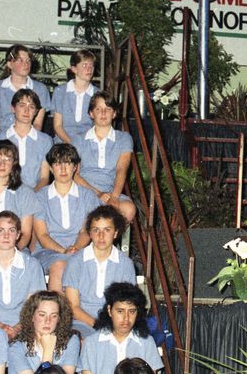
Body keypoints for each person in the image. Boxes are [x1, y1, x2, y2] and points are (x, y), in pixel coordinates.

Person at [32, 144, 101, 292]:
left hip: (80, 249)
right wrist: (64, 252)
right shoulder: (39, 197)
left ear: (75, 167)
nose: (63, 169)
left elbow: (85, 231)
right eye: (57, 164)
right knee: (60, 265)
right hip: (47, 252)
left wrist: (75, 249)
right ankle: (59, 313)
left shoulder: (88, 196)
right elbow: (42, 236)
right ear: (51, 168)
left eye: (68, 163)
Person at [63, 205, 134, 337]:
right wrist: (99, 325)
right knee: (81, 341)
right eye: (96, 230)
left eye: (107, 230)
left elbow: (126, 304)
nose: (101, 236)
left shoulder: (125, 264)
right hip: (81, 323)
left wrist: (113, 327)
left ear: (116, 233)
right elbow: (73, 307)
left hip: (114, 323)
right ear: (89, 233)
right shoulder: (76, 262)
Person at [71, 93, 136, 222]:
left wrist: (115, 197)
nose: (103, 113)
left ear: (114, 114)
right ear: (91, 113)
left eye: (108, 109)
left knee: (128, 209)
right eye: (98, 109)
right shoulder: (78, 140)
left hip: (110, 193)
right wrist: (97, 193)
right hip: (83, 191)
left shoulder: (124, 138)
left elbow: (121, 170)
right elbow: (75, 175)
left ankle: (106, 241)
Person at [80, 282, 163, 374]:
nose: (126, 318)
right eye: (120, 311)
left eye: (132, 311)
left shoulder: (146, 342)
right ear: (109, 310)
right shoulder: (92, 343)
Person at [0, 90, 53, 191]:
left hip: (34, 194)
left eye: (31, 107)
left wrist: (30, 197)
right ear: (13, 108)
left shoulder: (45, 140)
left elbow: (44, 178)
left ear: (36, 112)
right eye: (22, 105)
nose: (26, 111)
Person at [8, 290, 81, 374]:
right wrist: (48, 352)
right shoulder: (17, 347)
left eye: (54, 316)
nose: (48, 321)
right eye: (42, 315)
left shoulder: (71, 340)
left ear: (59, 319)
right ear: (31, 316)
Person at [0, 44, 51, 135]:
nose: (26, 64)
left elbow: (37, 124)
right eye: (20, 60)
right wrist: (4, 143)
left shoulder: (41, 89)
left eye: (28, 60)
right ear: (9, 64)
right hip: (1, 140)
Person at [52, 49, 98, 144]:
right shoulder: (60, 91)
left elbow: (97, 127)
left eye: (91, 65)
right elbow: (57, 126)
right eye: (84, 65)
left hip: (87, 145)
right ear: (74, 69)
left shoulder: (97, 94)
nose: (89, 69)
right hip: (63, 144)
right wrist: (71, 144)